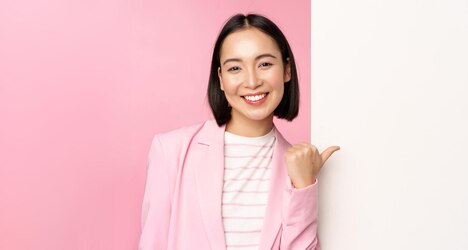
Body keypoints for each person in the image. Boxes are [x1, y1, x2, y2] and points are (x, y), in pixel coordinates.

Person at [138, 13, 340, 250]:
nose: (252, 81)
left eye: (264, 64)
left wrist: (304, 187)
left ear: (287, 70)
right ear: (221, 79)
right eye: (235, 68)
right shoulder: (171, 151)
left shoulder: (299, 168)